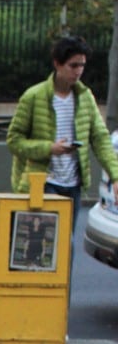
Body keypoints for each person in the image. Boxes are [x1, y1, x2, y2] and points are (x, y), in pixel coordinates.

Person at [7, 35, 118, 235]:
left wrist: (115, 175)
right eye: (73, 65)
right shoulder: (34, 97)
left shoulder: (84, 98)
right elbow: (14, 141)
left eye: (82, 66)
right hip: (43, 181)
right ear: (57, 64)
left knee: (66, 244)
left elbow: (101, 139)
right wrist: (50, 148)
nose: (78, 72)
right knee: (45, 243)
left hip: (73, 184)